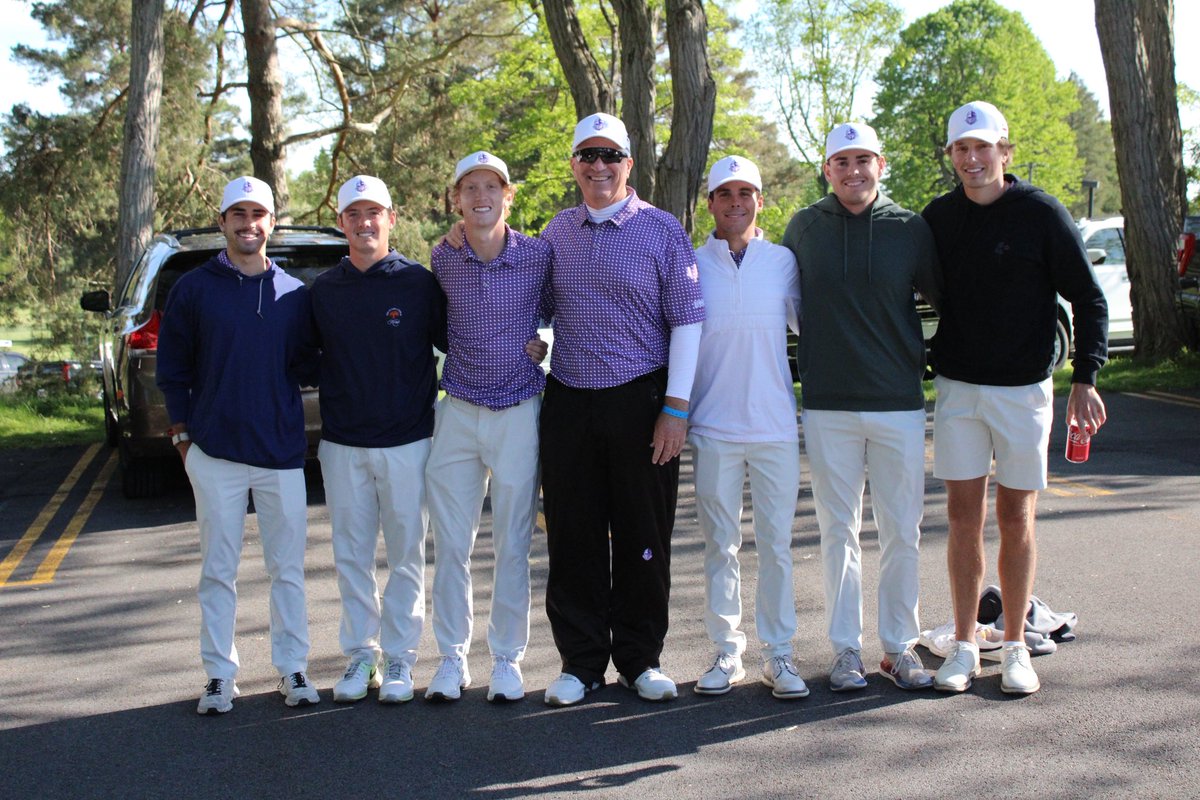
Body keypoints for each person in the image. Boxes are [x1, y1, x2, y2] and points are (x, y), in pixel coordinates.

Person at [922, 101, 1108, 695]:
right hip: (956, 388)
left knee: (1016, 517)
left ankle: (1016, 648)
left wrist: (1086, 378)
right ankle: (965, 646)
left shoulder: (1042, 214)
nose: (972, 159)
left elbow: (1090, 298)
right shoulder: (938, 219)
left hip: (1025, 391)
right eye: (961, 149)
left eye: (983, 148)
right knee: (962, 518)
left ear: (1005, 152)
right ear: (951, 157)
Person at [539, 113, 706, 706]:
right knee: (574, 536)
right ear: (575, 165)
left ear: (629, 165)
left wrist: (675, 409)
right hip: (570, 400)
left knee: (643, 536)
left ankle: (640, 659)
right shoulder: (556, 233)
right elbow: (532, 306)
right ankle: (581, 663)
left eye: (611, 155)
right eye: (588, 155)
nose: (599, 166)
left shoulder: (662, 230)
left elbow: (687, 320)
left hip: (641, 399)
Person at [781, 123, 943, 693]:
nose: (854, 170)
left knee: (902, 530)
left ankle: (898, 647)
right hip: (828, 404)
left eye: (864, 160)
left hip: (898, 401)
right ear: (827, 169)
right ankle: (846, 648)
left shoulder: (911, 228)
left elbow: (945, 301)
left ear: (881, 163)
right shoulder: (803, 227)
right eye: (842, 161)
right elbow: (792, 303)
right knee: (837, 532)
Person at [157, 175, 321, 714]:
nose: (249, 225)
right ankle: (219, 675)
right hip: (217, 455)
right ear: (223, 222)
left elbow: (306, 365)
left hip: (280, 454)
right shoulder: (194, 289)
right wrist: (183, 437)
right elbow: (173, 369)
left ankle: (293, 668)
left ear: (271, 223)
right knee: (217, 570)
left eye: (259, 215)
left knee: (287, 570)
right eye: (238, 216)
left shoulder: (295, 295)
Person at [309, 175, 447, 704]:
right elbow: (301, 359)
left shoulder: (418, 283)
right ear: (342, 222)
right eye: (354, 214)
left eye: (375, 213)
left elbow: (459, 341)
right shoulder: (324, 291)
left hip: (409, 442)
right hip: (342, 444)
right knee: (352, 555)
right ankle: (360, 654)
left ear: (392, 218)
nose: (365, 223)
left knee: (407, 555)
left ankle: (400, 660)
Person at [424, 151, 550, 703]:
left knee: (513, 543)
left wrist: (547, 347)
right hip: (459, 410)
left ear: (508, 195)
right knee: (451, 542)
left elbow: (568, 310)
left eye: (491, 187)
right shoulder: (442, 255)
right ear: (457, 199)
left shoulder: (539, 255)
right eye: (469, 188)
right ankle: (452, 658)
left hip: (519, 409)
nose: (481, 196)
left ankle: (506, 660)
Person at [688, 156, 808, 700]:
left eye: (746, 192)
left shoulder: (783, 261)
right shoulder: (691, 264)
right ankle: (726, 651)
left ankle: (778, 655)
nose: (735, 201)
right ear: (709, 203)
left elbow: (813, 329)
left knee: (776, 546)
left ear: (760, 200)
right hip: (712, 427)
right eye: (725, 193)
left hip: (775, 426)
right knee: (721, 546)